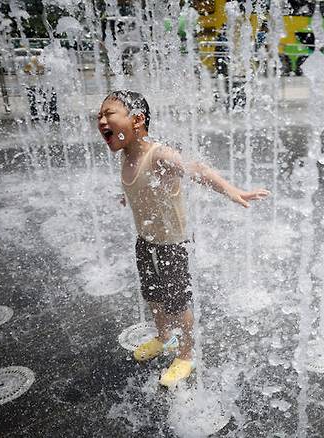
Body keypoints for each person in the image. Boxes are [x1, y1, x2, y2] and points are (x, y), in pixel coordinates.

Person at [97, 90, 269, 388]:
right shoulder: (126, 154)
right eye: (99, 116)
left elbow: (196, 169)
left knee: (177, 302)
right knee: (152, 295)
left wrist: (233, 191)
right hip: (145, 240)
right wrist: (127, 196)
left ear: (137, 120)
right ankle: (164, 338)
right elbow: (138, 185)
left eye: (109, 114)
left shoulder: (158, 154)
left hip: (172, 244)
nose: (101, 121)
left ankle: (187, 353)